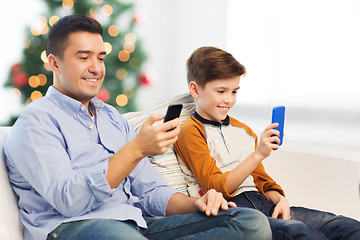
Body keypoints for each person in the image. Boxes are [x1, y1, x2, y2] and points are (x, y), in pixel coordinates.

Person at [4, 15, 272, 240]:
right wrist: (136, 149)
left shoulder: (111, 118)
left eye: (100, 57)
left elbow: (150, 191)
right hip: (73, 227)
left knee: (249, 222)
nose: (96, 68)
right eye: (84, 57)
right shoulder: (35, 122)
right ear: (54, 63)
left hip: (137, 224)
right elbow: (68, 201)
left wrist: (195, 204)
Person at [174, 46, 360, 239]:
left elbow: (261, 180)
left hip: (264, 203)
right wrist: (258, 154)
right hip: (237, 212)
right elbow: (216, 186)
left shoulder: (243, 130)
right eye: (221, 91)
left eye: (234, 91)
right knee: (303, 233)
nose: (229, 100)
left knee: (347, 226)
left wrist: (280, 199)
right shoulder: (190, 131)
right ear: (195, 89)